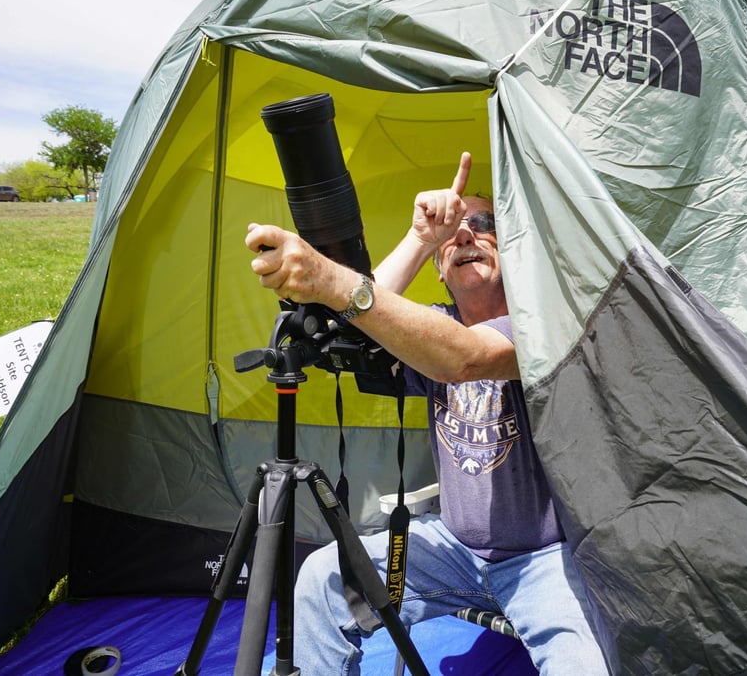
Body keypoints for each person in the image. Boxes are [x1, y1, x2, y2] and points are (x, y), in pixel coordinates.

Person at [245, 152, 609, 674]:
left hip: (546, 560)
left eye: (484, 225)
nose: (465, 237)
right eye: (453, 236)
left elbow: (463, 356)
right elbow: (351, 328)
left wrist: (328, 277)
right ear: (439, 273)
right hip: (452, 551)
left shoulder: (545, 327)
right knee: (324, 577)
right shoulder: (429, 331)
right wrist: (420, 238)